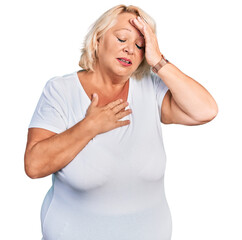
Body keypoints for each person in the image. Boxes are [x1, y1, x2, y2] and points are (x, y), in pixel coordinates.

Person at [24, 4, 218, 240]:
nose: (130, 50)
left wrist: (158, 61)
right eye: (121, 39)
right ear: (97, 40)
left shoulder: (150, 88)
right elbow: (34, 166)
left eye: (140, 45)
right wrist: (90, 126)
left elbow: (205, 110)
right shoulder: (61, 90)